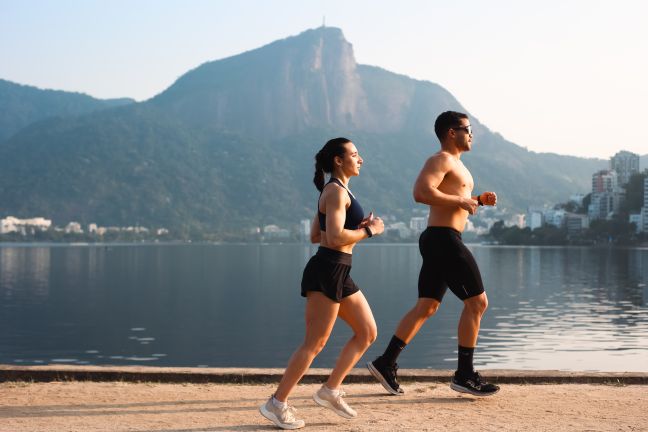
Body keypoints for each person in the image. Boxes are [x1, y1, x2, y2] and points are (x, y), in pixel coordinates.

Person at [367, 111, 500, 397]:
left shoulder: (457, 166)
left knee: (427, 306)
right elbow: (421, 192)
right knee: (478, 303)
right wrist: (463, 199)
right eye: (467, 129)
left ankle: (386, 362)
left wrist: (477, 201)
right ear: (451, 132)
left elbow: (452, 201)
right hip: (443, 240)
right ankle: (464, 374)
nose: (471, 134)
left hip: (440, 239)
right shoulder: (441, 160)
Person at [259, 137, 385, 429]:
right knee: (314, 343)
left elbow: (317, 235)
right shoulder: (335, 192)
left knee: (367, 332)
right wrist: (371, 231)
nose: (360, 158)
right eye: (355, 154)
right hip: (327, 269)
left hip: (339, 270)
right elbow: (334, 238)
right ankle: (276, 404)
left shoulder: (335, 191)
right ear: (339, 161)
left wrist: (358, 227)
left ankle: (330, 390)